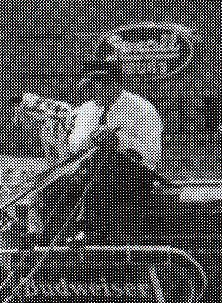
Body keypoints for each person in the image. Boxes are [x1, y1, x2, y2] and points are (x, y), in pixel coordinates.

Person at [63, 54, 166, 239]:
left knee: (104, 170)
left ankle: (88, 230)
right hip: (90, 174)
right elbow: (74, 146)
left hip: (132, 178)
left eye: (96, 87)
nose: (92, 94)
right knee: (52, 187)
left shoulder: (142, 109)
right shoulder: (88, 109)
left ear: (113, 84)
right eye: (90, 88)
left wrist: (120, 142)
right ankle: (44, 241)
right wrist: (93, 138)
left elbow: (151, 157)